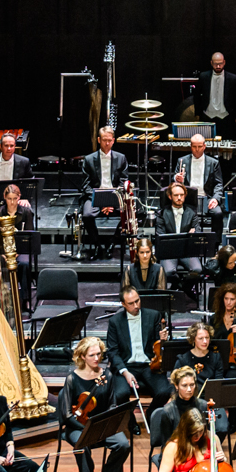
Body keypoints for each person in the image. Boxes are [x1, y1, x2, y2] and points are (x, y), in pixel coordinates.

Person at [57, 337, 133, 472]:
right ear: (82, 356)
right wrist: (86, 428)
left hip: (101, 424)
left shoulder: (107, 375)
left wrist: (105, 423)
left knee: (123, 444)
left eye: (99, 354)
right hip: (77, 425)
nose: (97, 358)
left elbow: (113, 404)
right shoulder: (72, 379)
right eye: (92, 355)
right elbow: (67, 414)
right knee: (80, 445)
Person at [105, 283, 168, 403]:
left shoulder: (153, 316)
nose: (136, 305)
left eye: (137, 301)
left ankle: (151, 416)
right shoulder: (115, 322)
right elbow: (113, 351)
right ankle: (130, 421)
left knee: (164, 391)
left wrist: (163, 340)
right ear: (123, 304)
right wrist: (125, 372)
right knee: (120, 394)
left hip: (149, 365)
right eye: (131, 303)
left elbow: (159, 346)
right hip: (126, 365)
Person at [77, 126, 129, 255]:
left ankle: (114, 241)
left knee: (131, 213)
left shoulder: (121, 158)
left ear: (113, 140)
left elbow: (124, 182)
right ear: (99, 140)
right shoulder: (89, 159)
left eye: (109, 140)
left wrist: (110, 201)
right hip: (94, 196)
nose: (107, 143)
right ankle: (97, 244)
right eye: (104, 140)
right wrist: (102, 201)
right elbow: (86, 186)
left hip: (115, 196)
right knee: (87, 215)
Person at [173, 133, 226, 216]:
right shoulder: (182, 161)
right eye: (194, 147)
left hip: (207, 198)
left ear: (204, 146)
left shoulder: (213, 163)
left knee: (217, 213)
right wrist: (176, 178)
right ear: (191, 146)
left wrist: (215, 199)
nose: (197, 149)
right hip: (187, 198)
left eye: (200, 146)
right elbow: (175, 180)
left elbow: (218, 184)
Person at [194, 51, 236, 141]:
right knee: (207, 145)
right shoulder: (203, 77)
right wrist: (197, 114)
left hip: (226, 117)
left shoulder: (232, 78)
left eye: (220, 64)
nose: (218, 66)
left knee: (226, 145)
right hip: (208, 116)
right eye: (216, 64)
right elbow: (196, 97)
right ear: (211, 63)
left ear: (224, 62)